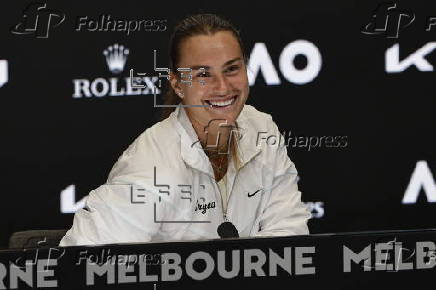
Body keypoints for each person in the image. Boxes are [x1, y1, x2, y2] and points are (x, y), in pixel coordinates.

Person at [59, 13, 310, 246]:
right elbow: (84, 259)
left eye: (232, 68)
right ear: (178, 85)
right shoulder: (153, 165)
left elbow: (288, 234)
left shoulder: (261, 129)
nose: (223, 87)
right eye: (203, 74)